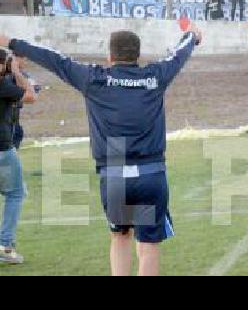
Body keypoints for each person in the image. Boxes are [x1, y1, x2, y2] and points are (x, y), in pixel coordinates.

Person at [0, 25, 202, 276]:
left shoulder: (94, 79)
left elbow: (53, 58)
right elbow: (179, 55)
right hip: (151, 171)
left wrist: (12, 42)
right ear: (137, 56)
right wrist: (192, 36)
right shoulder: (156, 75)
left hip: (115, 170)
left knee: (120, 238)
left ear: (110, 56)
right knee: (148, 246)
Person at [0, 50, 37, 265]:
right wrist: (17, 72)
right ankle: (5, 245)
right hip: (2, 149)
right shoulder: (4, 84)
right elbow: (31, 95)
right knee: (15, 194)